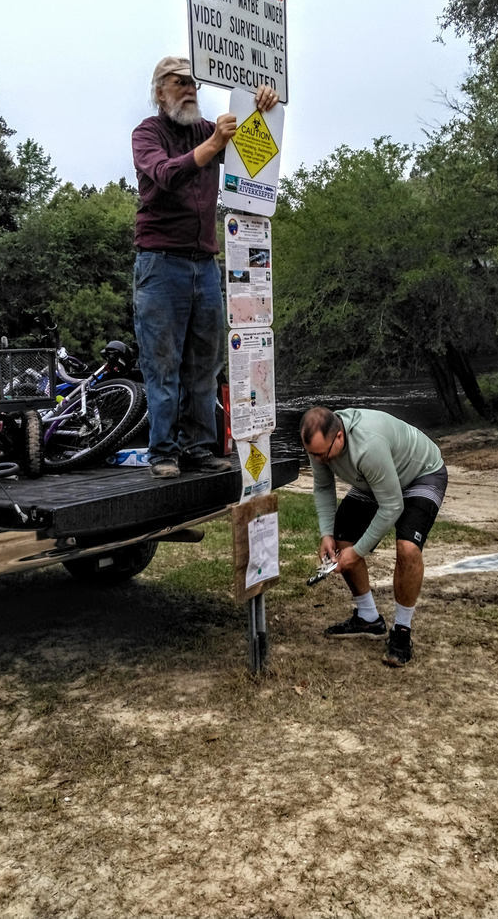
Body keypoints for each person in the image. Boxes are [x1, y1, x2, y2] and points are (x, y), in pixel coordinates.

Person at [132, 56, 279, 478]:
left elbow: (253, 150)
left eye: (193, 82)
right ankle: (163, 453)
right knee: (163, 365)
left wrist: (261, 106)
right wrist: (215, 143)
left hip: (205, 264)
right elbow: (165, 173)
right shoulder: (147, 132)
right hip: (160, 265)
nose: (190, 89)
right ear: (160, 92)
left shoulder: (204, 130)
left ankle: (197, 447)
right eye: (179, 83)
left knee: (205, 364)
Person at [300, 405, 448, 667]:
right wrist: (326, 534)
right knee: (342, 535)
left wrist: (356, 553)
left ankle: (401, 630)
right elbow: (323, 487)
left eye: (323, 455)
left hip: (420, 475)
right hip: (374, 479)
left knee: (407, 548)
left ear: (340, 437)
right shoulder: (320, 445)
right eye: (313, 454)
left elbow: (392, 506)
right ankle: (368, 618)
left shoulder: (368, 445)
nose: (320, 460)